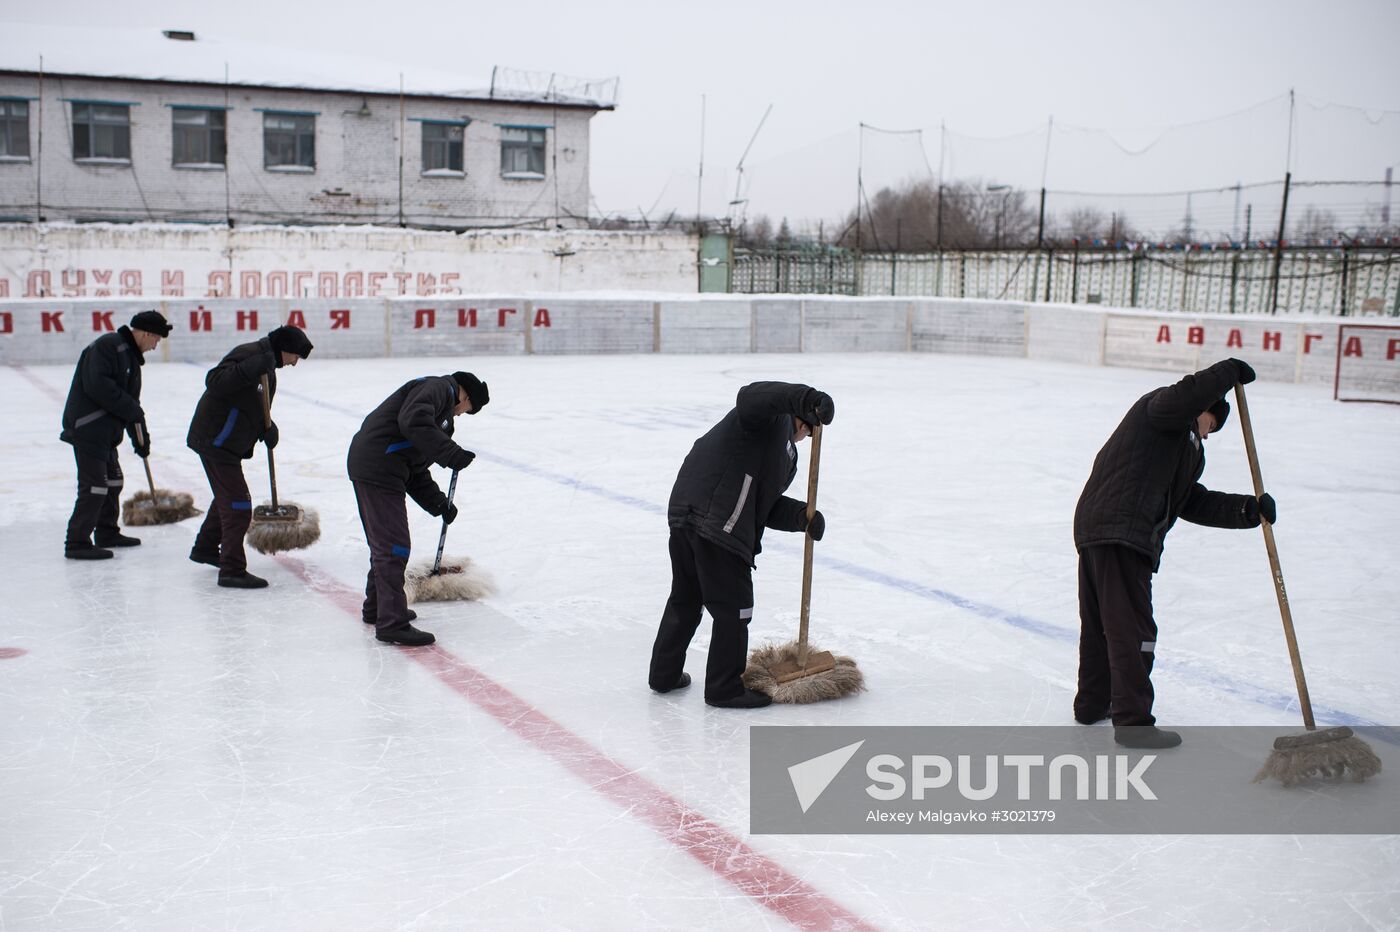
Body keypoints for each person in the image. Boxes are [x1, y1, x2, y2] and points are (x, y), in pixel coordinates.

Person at [1073, 358, 1277, 749]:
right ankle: (1133, 722)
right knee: (1135, 630)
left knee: (1104, 624)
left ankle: (1092, 703)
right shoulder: (1162, 409)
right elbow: (1188, 394)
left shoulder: (1184, 450)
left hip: (1102, 527)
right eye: (1210, 425)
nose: (1208, 433)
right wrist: (1228, 370)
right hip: (1122, 529)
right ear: (1204, 410)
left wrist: (1248, 510)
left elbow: (1191, 501)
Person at [649, 381, 835, 709]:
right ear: (804, 420)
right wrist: (807, 398)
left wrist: (801, 518)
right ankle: (724, 689)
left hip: (687, 514)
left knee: (686, 599)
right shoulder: (768, 419)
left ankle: (664, 675)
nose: (806, 439)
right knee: (735, 608)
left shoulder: (783, 453)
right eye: (809, 430)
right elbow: (749, 395)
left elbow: (762, 504)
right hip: (719, 525)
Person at [347, 372, 488, 646]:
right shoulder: (436, 389)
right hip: (377, 466)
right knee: (393, 546)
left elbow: (416, 467)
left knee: (386, 545)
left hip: (381, 465)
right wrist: (449, 452)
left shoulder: (440, 411)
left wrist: (438, 503)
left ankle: (378, 609)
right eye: (465, 412)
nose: (459, 416)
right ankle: (392, 623)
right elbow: (412, 420)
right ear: (466, 397)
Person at [187, 325, 313, 589]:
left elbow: (255, 406)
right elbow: (215, 381)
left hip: (224, 443)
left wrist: (267, 428)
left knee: (227, 498)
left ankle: (206, 548)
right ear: (285, 350)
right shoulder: (249, 355)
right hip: (214, 441)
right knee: (239, 507)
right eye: (296, 357)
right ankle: (231, 569)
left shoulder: (268, 369)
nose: (295, 363)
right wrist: (253, 365)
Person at [60, 310, 172, 559]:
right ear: (145, 334)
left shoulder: (132, 360)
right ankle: (76, 541)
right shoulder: (108, 346)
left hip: (107, 434)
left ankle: (106, 532)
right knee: (95, 487)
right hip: (87, 428)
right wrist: (133, 411)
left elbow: (133, 408)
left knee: (113, 483)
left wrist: (140, 439)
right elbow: (98, 385)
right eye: (156, 339)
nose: (155, 346)